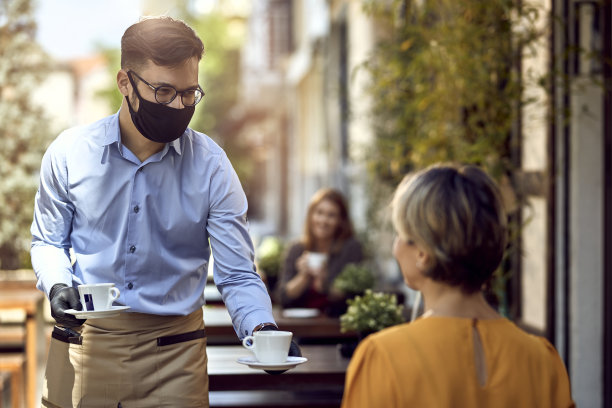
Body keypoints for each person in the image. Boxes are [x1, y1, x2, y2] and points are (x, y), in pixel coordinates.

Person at [31, 16, 298, 408]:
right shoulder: (69, 154)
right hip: (82, 347)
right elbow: (48, 241)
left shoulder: (211, 166)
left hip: (176, 356)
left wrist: (262, 329)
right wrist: (57, 285)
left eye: (189, 93)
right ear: (125, 83)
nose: (178, 105)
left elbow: (238, 272)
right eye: (164, 91)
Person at [341, 163, 575, 407]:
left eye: (399, 233)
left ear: (422, 252)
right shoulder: (542, 360)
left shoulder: (383, 357)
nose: (395, 247)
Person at [277, 188, 364, 317]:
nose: (323, 220)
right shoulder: (296, 249)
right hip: (301, 329)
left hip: (337, 329)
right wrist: (303, 277)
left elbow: (354, 297)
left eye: (331, 215)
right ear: (311, 215)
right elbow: (282, 298)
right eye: (319, 213)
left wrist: (324, 284)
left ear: (341, 221)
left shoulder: (351, 249)